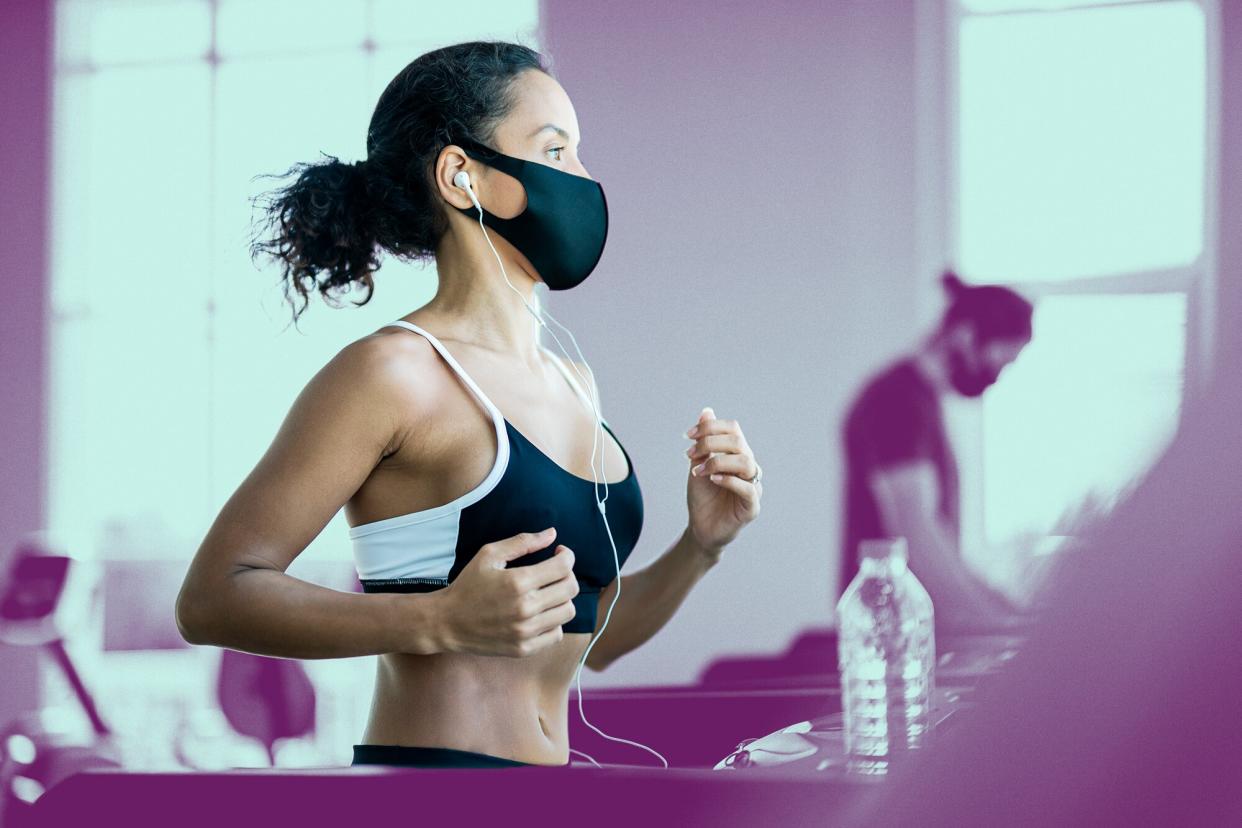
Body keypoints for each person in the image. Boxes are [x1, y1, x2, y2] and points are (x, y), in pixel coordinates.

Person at [174, 41, 762, 768]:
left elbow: (589, 637)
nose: (582, 180)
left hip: (561, 791)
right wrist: (439, 618)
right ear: (462, 176)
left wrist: (701, 545)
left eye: (579, 154)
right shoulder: (392, 372)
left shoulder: (573, 379)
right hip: (436, 793)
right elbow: (211, 598)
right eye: (556, 151)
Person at [839, 271, 1032, 632]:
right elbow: (916, 533)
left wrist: (1010, 616)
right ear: (964, 335)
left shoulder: (919, 403)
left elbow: (935, 543)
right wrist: (996, 628)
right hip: (889, 640)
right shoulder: (897, 400)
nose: (996, 378)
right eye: (999, 362)